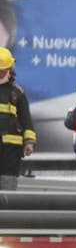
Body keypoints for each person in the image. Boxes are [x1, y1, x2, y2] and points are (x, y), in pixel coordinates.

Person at [0, 47, 35, 191]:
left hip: (11, 150)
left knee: (7, 187)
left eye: (2, 71)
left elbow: (26, 120)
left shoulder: (17, 93)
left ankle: (6, 207)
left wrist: (29, 142)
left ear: (10, 69)